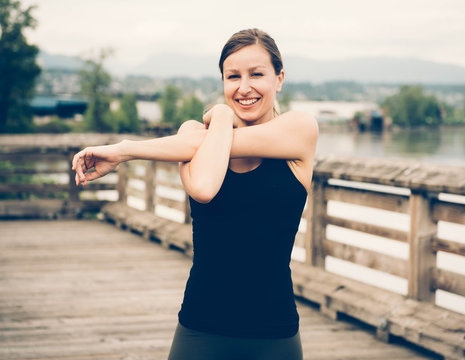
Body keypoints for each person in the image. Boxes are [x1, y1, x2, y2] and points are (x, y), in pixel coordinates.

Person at [72, 28, 318, 360]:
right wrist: (221, 120)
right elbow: (204, 188)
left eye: (256, 74)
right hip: (201, 328)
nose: (244, 87)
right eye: (233, 76)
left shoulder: (300, 130)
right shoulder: (190, 134)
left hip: (274, 332)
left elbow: (205, 148)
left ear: (279, 78)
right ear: (223, 82)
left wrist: (125, 149)